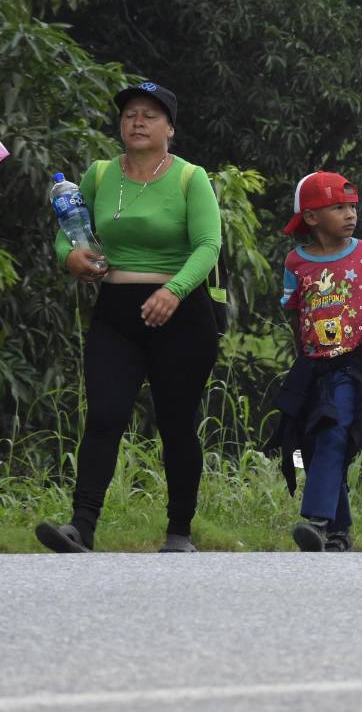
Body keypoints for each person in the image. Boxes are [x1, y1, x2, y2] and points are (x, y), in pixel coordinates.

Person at [36, 81, 221, 554]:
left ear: (170, 128)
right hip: (117, 311)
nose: (138, 122)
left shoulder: (190, 177)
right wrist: (70, 256)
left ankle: (179, 531)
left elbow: (208, 246)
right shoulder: (99, 174)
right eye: (130, 114)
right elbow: (70, 231)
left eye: (150, 115)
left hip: (181, 313)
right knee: (104, 414)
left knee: (176, 422)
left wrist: (174, 290)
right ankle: (81, 527)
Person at [271, 171, 362, 552]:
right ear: (311, 217)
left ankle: (317, 521)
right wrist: (303, 357)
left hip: (352, 362)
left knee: (334, 429)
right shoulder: (295, 262)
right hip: (310, 364)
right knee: (311, 438)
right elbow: (294, 313)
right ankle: (339, 533)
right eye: (338, 208)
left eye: (352, 207)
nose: (350, 214)